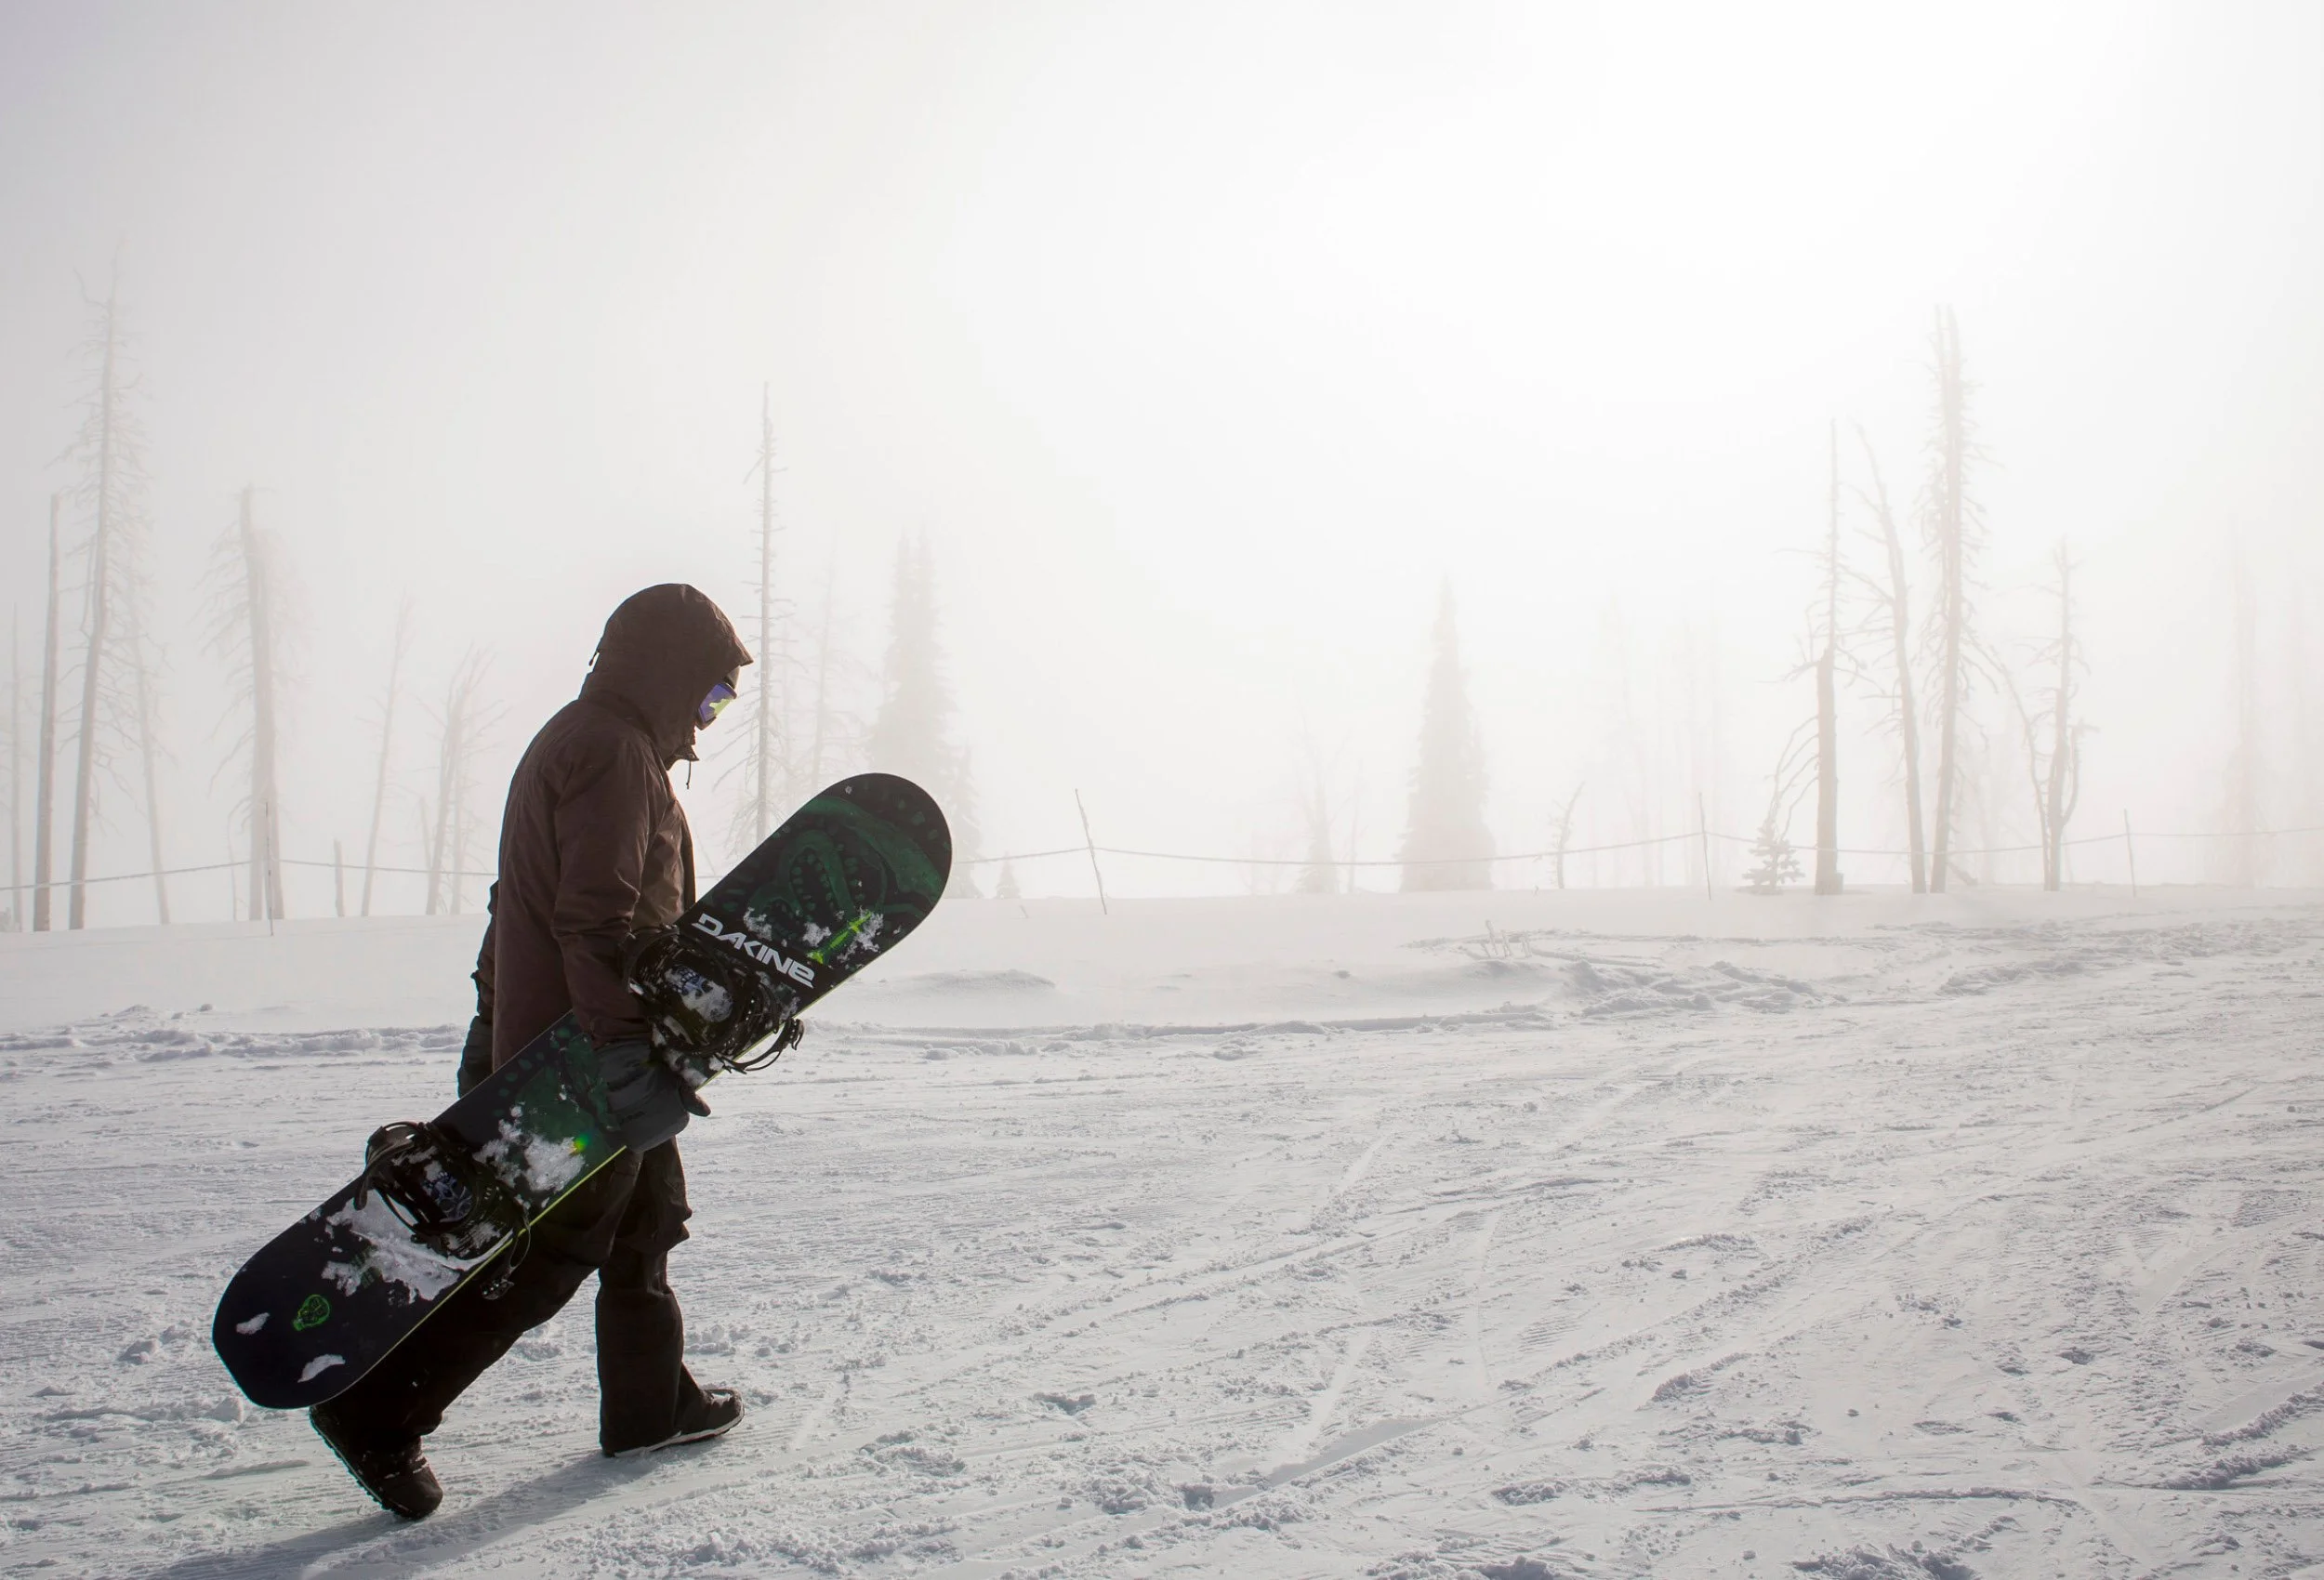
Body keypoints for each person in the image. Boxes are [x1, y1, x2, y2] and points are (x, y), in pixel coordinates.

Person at [311, 584, 757, 1520]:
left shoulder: (588, 738)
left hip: (576, 1035)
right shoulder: (611, 753)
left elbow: (518, 902)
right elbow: (592, 918)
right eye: (708, 696)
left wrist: (504, 1021)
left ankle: (649, 1403)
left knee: (649, 1217)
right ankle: (377, 1411)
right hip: (581, 1054)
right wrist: (615, 1052)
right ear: (669, 672)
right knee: (553, 1244)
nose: (705, 723)